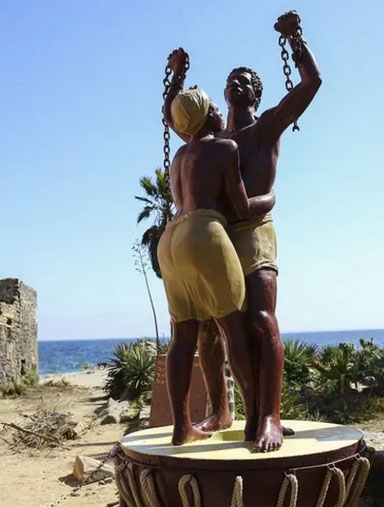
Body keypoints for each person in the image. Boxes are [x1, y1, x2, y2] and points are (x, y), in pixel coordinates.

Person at [162, 11, 322, 452]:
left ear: (257, 92)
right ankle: (222, 409)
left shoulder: (265, 126)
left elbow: (310, 85)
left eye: (246, 79)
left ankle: (268, 415)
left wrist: (295, 39)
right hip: (216, 237)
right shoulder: (209, 139)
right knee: (210, 330)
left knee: (259, 319)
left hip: (252, 234)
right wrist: (176, 78)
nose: (236, 82)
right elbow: (172, 115)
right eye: (231, 78)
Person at [158, 85, 275, 445]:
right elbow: (240, 208)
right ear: (208, 113)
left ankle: (183, 428)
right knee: (234, 328)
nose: (220, 111)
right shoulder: (226, 148)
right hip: (204, 233)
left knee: (183, 336)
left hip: (170, 239)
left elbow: (173, 115)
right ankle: (256, 418)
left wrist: (176, 81)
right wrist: (269, 201)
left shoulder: (179, 156)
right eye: (214, 107)